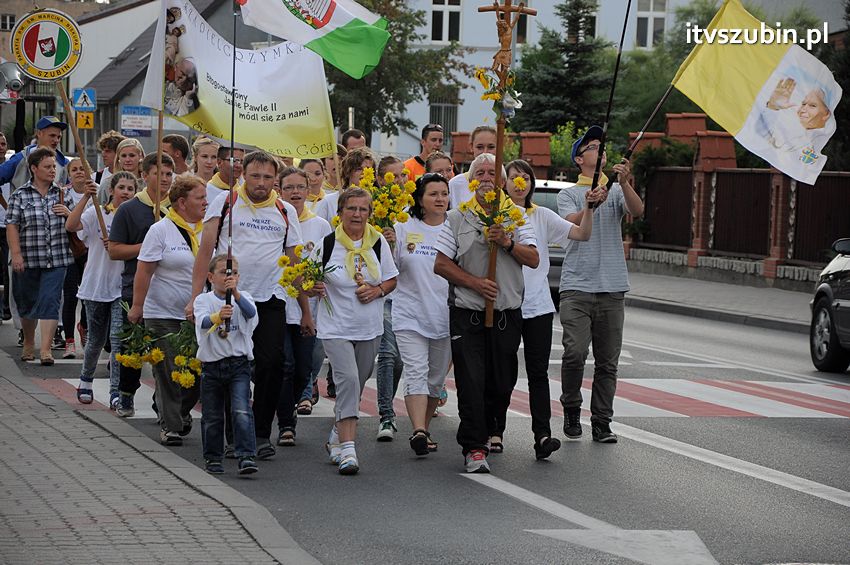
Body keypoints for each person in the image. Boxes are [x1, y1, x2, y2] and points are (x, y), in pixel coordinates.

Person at [190, 150, 307, 461]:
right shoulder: (226, 202)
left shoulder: (285, 211)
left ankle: (258, 432)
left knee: (272, 363)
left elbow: (295, 260)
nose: (261, 182)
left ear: (276, 180)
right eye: (255, 176)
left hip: (270, 298)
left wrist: (306, 302)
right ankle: (233, 435)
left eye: (268, 177)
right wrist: (195, 298)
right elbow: (205, 251)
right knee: (230, 365)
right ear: (243, 174)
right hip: (231, 298)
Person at [434, 152, 539, 474]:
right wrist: (475, 283)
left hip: (506, 312)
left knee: (501, 380)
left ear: (504, 181)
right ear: (470, 180)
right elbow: (440, 264)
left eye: (492, 173)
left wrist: (507, 242)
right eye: (479, 173)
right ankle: (474, 446)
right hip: (468, 312)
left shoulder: (518, 216)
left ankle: (495, 427)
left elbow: (533, 259)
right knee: (471, 380)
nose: (485, 179)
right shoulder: (456, 218)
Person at [495, 159, 594, 460]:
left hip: (537, 306)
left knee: (538, 372)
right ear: (505, 183)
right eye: (514, 177)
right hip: (506, 305)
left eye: (526, 177)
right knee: (503, 372)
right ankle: (495, 431)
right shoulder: (495, 217)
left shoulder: (542, 216)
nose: (520, 182)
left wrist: (588, 208)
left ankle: (542, 436)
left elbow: (581, 234)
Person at [558, 125, 644, 444]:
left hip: (612, 288)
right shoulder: (568, 193)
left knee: (608, 362)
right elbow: (571, 222)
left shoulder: (617, 190)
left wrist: (624, 182)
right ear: (580, 159)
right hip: (577, 287)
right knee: (574, 352)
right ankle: (570, 407)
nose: (601, 149)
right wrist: (589, 206)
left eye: (601, 146)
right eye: (592, 146)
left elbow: (637, 211)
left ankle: (601, 421)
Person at [308, 188, 398, 475]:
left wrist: (377, 290)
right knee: (346, 380)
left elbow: (391, 279)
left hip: (369, 328)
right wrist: (314, 286)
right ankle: (349, 449)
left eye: (363, 209)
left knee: (356, 384)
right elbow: (306, 281)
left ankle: (336, 435)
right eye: (351, 209)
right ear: (340, 212)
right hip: (335, 327)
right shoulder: (327, 243)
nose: (357, 214)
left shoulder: (378, 242)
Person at [129, 173, 207, 446]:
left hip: (199, 314)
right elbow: (144, 270)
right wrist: (137, 306)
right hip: (162, 313)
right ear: (182, 202)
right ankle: (171, 425)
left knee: (196, 373)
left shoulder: (209, 229)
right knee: (167, 370)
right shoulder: (160, 230)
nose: (206, 203)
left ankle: (180, 411)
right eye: (200, 198)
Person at [109, 153, 175, 417]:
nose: (166, 179)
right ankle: (126, 394)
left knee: (166, 350)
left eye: (170, 174)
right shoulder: (130, 209)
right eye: (159, 173)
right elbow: (115, 250)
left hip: (170, 290)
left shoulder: (179, 208)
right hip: (136, 288)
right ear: (145, 175)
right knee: (132, 347)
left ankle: (163, 401)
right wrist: (149, 246)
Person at [390, 173, 451, 455]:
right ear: (420, 198)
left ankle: (423, 430)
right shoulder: (404, 224)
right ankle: (418, 429)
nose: (440, 199)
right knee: (416, 371)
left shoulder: (456, 226)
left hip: (446, 315)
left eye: (444, 193)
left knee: (435, 379)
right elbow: (390, 266)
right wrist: (389, 243)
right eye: (433, 194)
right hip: (410, 313)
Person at [65, 172, 138, 407]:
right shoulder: (99, 212)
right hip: (97, 285)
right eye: (122, 188)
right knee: (95, 339)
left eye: (131, 188)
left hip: (122, 288)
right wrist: (86, 197)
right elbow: (71, 225)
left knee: (117, 340)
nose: (126, 192)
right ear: (112, 190)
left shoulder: (136, 218)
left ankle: (115, 391)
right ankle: (86, 379)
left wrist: (119, 246)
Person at [275, 167, 332, 446]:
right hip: (277, 305)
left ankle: (292, 400)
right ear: (280, 190)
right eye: (289, 188)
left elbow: (329, 263)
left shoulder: (320, 225)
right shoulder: (274, 220)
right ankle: (286, 423)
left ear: (309, 190)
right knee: (284, 365)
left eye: (300, 187)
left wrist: (322, 283)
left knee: (303, 368)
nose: (295, 192)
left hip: (307, 309)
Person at [6, 148, 78, 365]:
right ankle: (29, 343)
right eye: (47, 167)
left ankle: (45, 350)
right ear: (34, 169)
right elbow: (12, 226)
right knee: (26, 302)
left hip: (56, 258)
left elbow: (75, 224)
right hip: (27, 259)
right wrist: (16, 254)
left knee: (50, 301)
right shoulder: (20, 195)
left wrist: (69, 213)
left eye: (54, 167)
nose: (52, 171)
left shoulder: (62, 193)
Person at [194, 254, 259, 475]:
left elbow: (251, 313)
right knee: (212, 415)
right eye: (223, 272)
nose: (229, 277)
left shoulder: (244, 297)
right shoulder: (204, 300)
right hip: (212, 366)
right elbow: (201, 321)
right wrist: (216, 317)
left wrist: (237, 295)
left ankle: (246, 455)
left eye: (233, 273)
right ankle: (213, 457)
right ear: (211, 277)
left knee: (241, 409)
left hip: (238, 364)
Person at [373, 156, 409, 441]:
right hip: (381, 291)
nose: (399, 182)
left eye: (402, 176)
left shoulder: (411, 209)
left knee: (398, 360)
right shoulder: (372, 208)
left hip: (406, 293)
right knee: (387, 353)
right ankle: (386, 415)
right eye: (392, 177)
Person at [60, 158, 93, 359]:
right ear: (69, 173)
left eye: (83, 169)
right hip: (71, 250)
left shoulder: (96, 192)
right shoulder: (62, 194)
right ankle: (69, 340)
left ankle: (85, 327)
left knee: (88, 296)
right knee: (71, 295)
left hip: (93, 251)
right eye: (75, 169)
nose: (79, 172)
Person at [0, 116, 71, 190]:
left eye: (59, 137)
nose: (56, 140)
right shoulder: (20, 159)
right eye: (52, 135)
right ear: (39, 134)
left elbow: (72, 190)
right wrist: (3, 201)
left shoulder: (64, 164)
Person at [314, 147, 375, 225]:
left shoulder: (378, 201)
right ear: (348, 172)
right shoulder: (328, 201)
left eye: (368, 169)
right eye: (359, 169)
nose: (364, 173)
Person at [448, 126, 497, 209]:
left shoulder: (506, 182)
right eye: (480, 147)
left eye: (491, 147)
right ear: (471, 147)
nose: (485, 152)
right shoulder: (455, 184)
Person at [98, 138, 145, 204]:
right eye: (124, 156)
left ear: (140, 157)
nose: (127, 159)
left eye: (132, 155)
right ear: (118, 158)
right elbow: (100, 209)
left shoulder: (148, 183)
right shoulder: (107, 184)